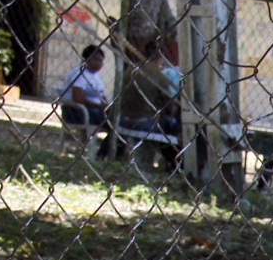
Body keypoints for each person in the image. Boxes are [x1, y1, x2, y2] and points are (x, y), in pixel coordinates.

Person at [119, 37, 181, 169]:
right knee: (174, 127)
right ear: (160, 58)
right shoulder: (158, 75)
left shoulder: (131, 68)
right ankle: (176, 163)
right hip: (144, 123)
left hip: (123, 119)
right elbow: (169, 105)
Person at [57, 44, 115, 156]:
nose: (99, 63)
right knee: (116, 124)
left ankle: (104, 154)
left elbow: (102, 97)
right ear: (86, 58)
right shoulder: (80, 73)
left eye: (101, 61)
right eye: (96, 59)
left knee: (117, 122)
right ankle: (101, 155)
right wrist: (98, 107)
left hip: (92, 111)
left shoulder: (96, 76)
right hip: (76, 111)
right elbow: (77, 98)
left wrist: (107, 107)